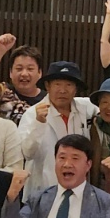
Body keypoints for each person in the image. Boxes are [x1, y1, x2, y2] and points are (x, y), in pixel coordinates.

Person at [17, 62, 97, 199]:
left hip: (78, 191)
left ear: (76, 89)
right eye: (57, 84)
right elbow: (27, 153)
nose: (62, 90)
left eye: (69, 85)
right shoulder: (31, 114)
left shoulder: (85, 108)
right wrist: (38, 123)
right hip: (42, 192)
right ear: (48, 86)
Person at [0, 44, 46, 122]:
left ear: (39, 73)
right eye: (19, 69)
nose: (24, 74)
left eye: (30, 69)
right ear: (10, 72)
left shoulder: (47, 100)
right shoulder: (3, 92)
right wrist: (0, 51)